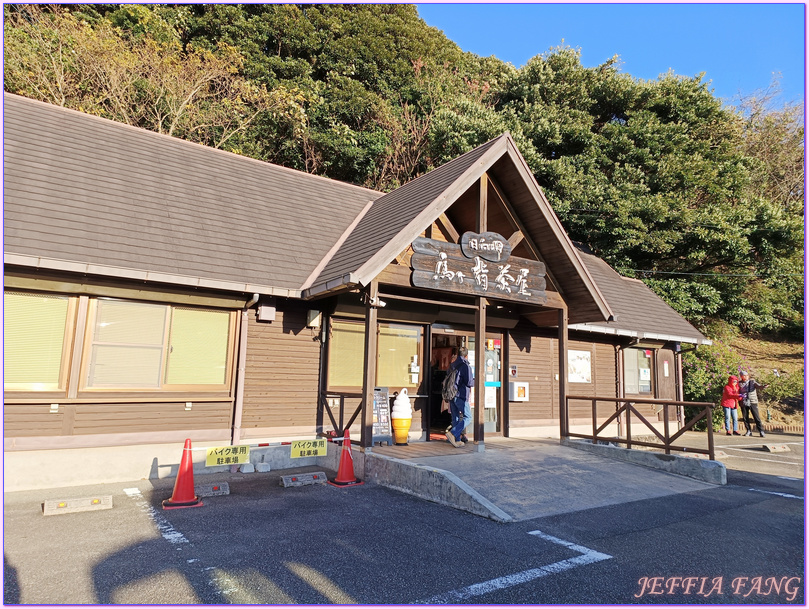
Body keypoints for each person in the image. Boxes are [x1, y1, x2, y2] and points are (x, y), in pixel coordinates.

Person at [446, 346, 474, 448]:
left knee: (455, 417)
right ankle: (453, 433)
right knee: (468, 417)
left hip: (451, 394)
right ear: (466, 355)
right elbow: (469, 382)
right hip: (461, 395)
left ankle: (457, 440)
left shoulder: (452, 365)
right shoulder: (465, 366)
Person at [739, 371, 767, 437]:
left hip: (753, 401)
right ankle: (748, 430)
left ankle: (761, 431)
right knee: (745, 417)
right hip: (743, 401)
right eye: (743, 376)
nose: (745, 377)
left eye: (746, 375)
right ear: (741, 376)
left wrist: (763, 386)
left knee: (756, 417)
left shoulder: (752, 382)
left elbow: (759, 386)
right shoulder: (739, 383)